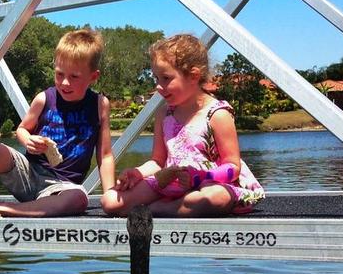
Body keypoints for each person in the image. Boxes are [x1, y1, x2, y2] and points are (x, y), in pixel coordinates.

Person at [0, 29, 115, 218]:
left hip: (62, 187)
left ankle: (2, 208)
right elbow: (22, 129)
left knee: (79, 198)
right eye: (59, 74)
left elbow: (105, 155)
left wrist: (110, 193)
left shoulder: (100, 105)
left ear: (93, 77)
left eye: (74, 77)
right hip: (28, 173)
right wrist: (28, 140)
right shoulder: (44, 98)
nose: (65, 83)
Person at [101, 33, 264, 217]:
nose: (158, 86)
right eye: (156, 78)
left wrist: (201, 177)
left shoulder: (217, 114)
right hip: (169, 182)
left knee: (213, 198)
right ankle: (175, 207)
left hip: (209, 184)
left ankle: (156, 209)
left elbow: (233, 167)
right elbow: (157, 161)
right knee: (110, 201)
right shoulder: (164, 114)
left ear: (193, 76)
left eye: (166, 78)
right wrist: (138, 173)